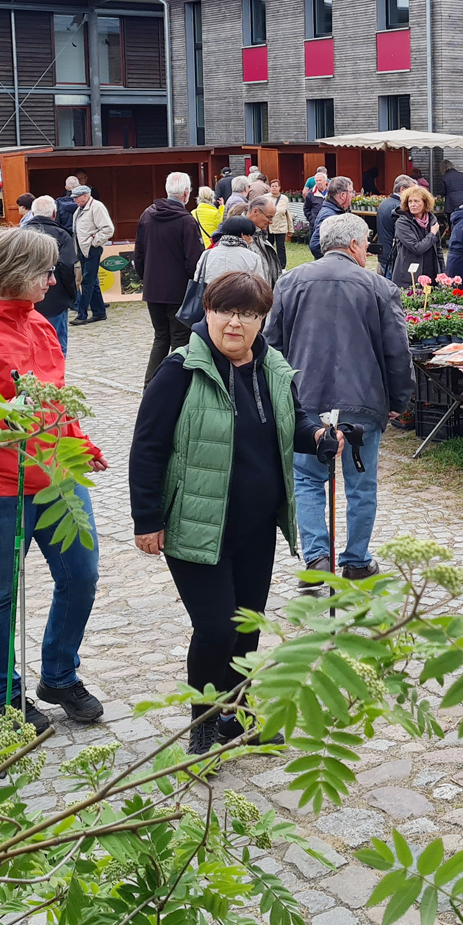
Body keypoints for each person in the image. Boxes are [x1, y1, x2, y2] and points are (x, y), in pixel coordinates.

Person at [131, 272, 330, 752]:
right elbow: (148, 446)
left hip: (255, 526)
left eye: (248, 314)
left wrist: (321, 436)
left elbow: (294, 421)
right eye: (225, 311)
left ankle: (236, 716)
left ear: (262, 319)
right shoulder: (180, 371)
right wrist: (146, 518)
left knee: (246, 625)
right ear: (208, 311)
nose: (234, 323)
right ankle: (202, 724)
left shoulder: (272, 367)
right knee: (216, 628)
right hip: (197, 526)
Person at [0, 225, 107, 729]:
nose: (53, 279)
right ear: (13, 273)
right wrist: (2, 422)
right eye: (44, 270)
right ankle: (3, 695)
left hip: (57, 477)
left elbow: (55, 398)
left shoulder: (40, 322)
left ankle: (57, 673)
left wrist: (80, 444)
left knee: (82, 576)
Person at [265, 213, 414, 581]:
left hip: (306, 401)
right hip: (361, 401)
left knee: (308, 479)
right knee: (361, 484)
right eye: (365, 245)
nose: (366, 251)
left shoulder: (290, 282)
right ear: (353, 246)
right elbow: (398, 350)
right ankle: (356, 560)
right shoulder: (378, 286)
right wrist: (400, 400)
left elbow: (271, 345)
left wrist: (278, 396)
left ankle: (317, 557)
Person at [136, 171, 208, 381]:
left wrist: (146, 279)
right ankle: (176, 385)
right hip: (179, 291)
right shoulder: (186, 221)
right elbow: (194, 261)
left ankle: (151, 386)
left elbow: (138, 254)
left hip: (153, 289)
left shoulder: (147, 215)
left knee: (160, 338)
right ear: (186, 193)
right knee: (179, 339)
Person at [21, 196, 79, 354]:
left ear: (32, 213)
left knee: (29, 347)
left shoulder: (19, 235)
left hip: (26, 299)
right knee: (56, 347)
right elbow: (68, 267)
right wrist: (72, 294)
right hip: (56, 299)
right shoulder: (62, 235)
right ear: (54, 213)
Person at [192, 215, 277, 293]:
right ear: (243, 235)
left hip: (209, 304)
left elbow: (197, 279)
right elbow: (258, 286)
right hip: (240, 304)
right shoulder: (253, 258)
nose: (251, 240)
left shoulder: (207, 254)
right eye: (249, 235)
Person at [69, 185, 114, 326]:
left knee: (87, 281)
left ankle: (82, 315)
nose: (74, 200)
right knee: (92, 281)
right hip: (84, 249)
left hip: (91, 249)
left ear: (85, 195)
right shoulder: (81, 209)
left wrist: (94, 242)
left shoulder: (96, 207)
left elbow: (108, 229)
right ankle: (99, 312)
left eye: (76, 197)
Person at [391, 184, 441, 287]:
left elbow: (438, 250)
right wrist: (432, 234)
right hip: (409, 277)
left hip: (431, 274)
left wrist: (442, 272)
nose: (413, 204)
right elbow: (417, 248)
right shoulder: (402, 223)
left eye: (416, 201)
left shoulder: (432, 220)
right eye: (410, 201)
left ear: (425, 203)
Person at [375, 176, 414, 282]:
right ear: (403, 190)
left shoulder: (384, 203)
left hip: (384, 253)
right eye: (412, 190)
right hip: (393, 257)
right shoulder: (398, 208)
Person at [307, 176, 353, 261]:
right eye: (351, 192)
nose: (352, 195)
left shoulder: (336, 211)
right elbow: (315, 245)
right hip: (329, 268)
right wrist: (337, 259)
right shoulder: (329, 216)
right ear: (343, 195)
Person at [267, 180, 291, 270]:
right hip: (269, 227)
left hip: (281, 226)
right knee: (269, 246)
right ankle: (269, 264)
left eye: (276, 186)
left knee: (281, 247)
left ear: (279, 187)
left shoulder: (284, 198)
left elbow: (288, 214)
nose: (274, 188)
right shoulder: (265, 198)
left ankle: (282, 267)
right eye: (272, 186)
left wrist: (290, 228)